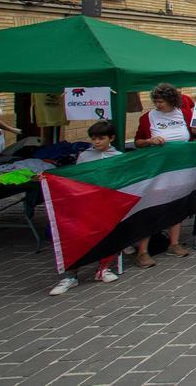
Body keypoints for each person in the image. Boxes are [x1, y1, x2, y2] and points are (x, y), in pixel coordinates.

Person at [50, 122, 127, 295]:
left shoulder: (118, 156)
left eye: (101, 138)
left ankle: (103, 268)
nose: (97, 142)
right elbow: (76, 178)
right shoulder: (84, 156)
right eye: (94, 139)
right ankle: (71, 275)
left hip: (108, 203)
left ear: (111, 138)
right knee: (79, 237)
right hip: (86, 203)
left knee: (109, 234)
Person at [134, 83, 196, 259]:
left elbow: (195, 135)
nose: (158, 104)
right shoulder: (148, 117)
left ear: (171, 100)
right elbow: (137, 142)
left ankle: (174, 243)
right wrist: (149, 141)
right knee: (151, 207)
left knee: (177, 205)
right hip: (158, 169)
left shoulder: (184, 114)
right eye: (156, 101)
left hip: (180, 168)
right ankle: (143, 251)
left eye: (161, 101)